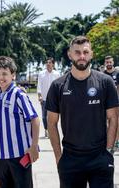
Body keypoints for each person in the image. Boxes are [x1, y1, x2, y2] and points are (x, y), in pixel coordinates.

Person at [46, 35, 119, 188]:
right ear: (69, 54)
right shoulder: (57, 86)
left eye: (85, 52)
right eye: (77, 52)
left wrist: (109, 151)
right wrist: (59, 157)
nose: (82, 56)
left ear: (91, 54)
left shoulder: (105, 82)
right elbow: (51, 123)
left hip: (100, 157)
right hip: (70, 159)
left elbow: (114, 118)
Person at [0, 56, 40, 188]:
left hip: (19, 155)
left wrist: (34, 146)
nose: (1, 77)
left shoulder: (18, 94)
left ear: (13, 75)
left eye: (5, 74)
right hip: (2, 155)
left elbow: (34, 119)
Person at [37, 57, 60, 138]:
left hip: (54, 99)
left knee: (53, 116)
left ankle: (52, 131)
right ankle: (46, 129)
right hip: (44, 99)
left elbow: (59, 87)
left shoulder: (57, 74)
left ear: (53, 64)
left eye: (50, 62)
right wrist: (39, 96)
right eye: (47, 62)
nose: (48, 64)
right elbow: (39, 85)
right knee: (44, 116)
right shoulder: (41, 74)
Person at [103, 55, 119, 149]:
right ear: (105, 63)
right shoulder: (102, 74)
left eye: (110, 62)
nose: (109, 64)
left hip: (116, 101)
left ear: (113, 62)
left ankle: (117, 141)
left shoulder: (117, 73)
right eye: (107, 62)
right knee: (105, 122)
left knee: (116, 121)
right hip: (105, 102)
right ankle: (106, 140)